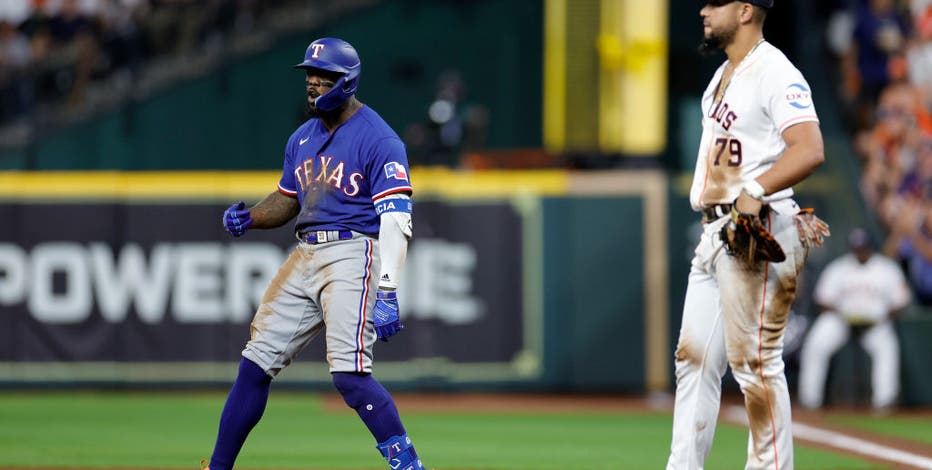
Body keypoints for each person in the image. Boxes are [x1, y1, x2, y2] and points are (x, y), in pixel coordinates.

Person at [201, 37, 425, 470]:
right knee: (254, 364)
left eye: (322, 79)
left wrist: (389, 289)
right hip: (305, 253)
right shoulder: (302, 138)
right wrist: (251, 216)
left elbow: (397, 221)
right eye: (309, 76)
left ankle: (408, 464)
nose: (312, 85)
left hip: (353, 251)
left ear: (347, 82)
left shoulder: (379, 139)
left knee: (350, 377)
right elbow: (288, 200)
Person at [667, 1, 830, 469]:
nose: (703, 10)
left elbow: (810, 148)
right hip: (716, 231)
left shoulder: (775, 71)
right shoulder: (723, 76)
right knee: (693, 360)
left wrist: (756, 190)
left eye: (715, 3)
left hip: (756, 229)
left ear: (744, 11)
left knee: (756, 365)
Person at [798, 228, 911, 411]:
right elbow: (822, 299)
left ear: (870, 247)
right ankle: (809, 399)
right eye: (856, 247)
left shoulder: (886, 268)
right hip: (841, 320)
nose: (860, 251)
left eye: (863, 247)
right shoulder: (839, 267)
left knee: (887, 348)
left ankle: (885, 401)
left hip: (875, 322)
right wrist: (841, 313)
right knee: (816, 342)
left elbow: (902, 300)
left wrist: (883, 315)